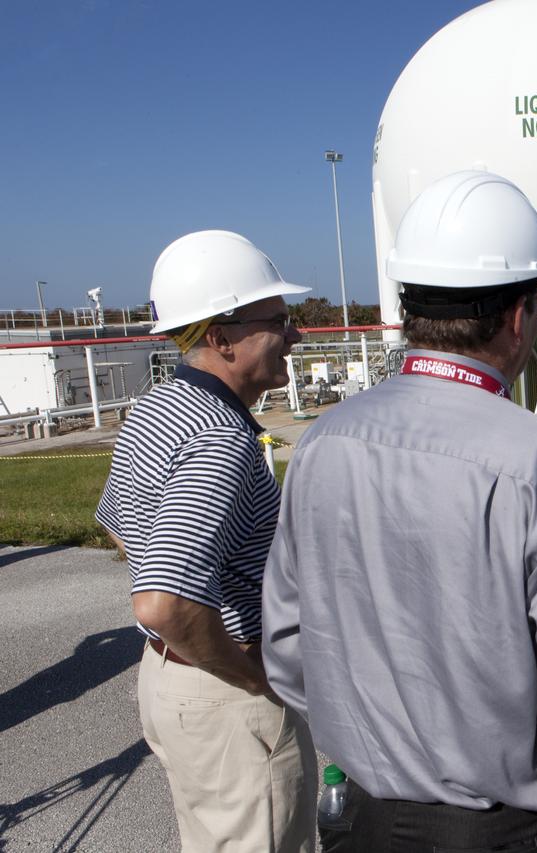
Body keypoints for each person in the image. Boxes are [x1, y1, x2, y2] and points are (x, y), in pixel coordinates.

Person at [262, 170, 537, 853]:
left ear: (408, 304)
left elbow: (290, 649)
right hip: (508, 829)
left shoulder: (320, 444)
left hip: (363, 822)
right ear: (523, 312)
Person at [96, 230, 317, 852]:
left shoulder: (157, 407)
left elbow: (122, 529)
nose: (295, 336)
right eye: (278, 320)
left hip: (169, 683)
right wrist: (248, 677)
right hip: (224, 689)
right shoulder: (220, 436)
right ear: (220, 337)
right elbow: (161, 602)